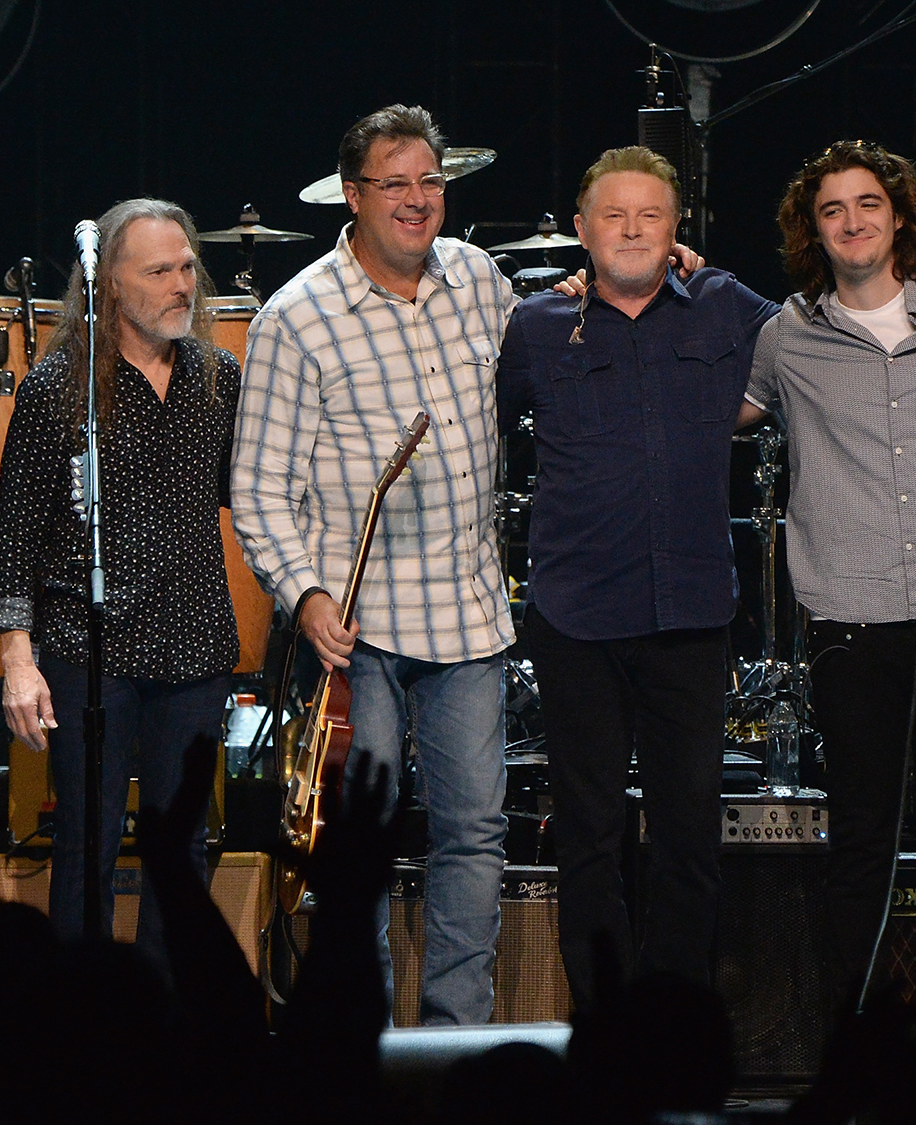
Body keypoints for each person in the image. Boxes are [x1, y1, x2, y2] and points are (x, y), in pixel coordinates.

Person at [230, 106, 701, 1024]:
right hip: (354, 628)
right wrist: (308, 595)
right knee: (356, 843)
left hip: (468, 616)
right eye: (395, 184)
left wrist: (631, 269)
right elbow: (257, 489)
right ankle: (355, 1035)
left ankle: (456, 1040)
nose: (416, 201)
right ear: (353, 196)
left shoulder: (480, 279)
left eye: (430, 182)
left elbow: (566, 335)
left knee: (474, 836)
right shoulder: (297, 316)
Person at [496, 146, 778, 1011]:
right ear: (580, 230)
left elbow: (820, 343)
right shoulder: (538, 324)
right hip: (576, 613)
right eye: (612, 215)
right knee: (588, 835)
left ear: (676, 227)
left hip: (690, 611)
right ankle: (607, 1022)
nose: (630, 230)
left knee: (689, 836)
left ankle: (674, 1024)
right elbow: (486, 436)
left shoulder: (730, 309)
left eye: (649, 215)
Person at [740, 140, 916, 1009]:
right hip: (851, 621)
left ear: (900, 217)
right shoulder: (786, 336)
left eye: (869, 204)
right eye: (832, 210)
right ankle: (850, 1040)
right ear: (811, 230)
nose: (853, 222)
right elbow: (722, 411)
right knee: (862, 839)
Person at [0, 197, 240, 952]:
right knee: (87, 847)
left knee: (181, 854)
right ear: (109, 288)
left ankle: (170, 1037)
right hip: (87, 647)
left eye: (188, 266)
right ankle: (83, 1031)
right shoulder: (59, 388)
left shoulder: (219, 377)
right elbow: (16, 537)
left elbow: (255, 492)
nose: (182, 284)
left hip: (194, 644)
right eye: (159, 270)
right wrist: (17, 661)